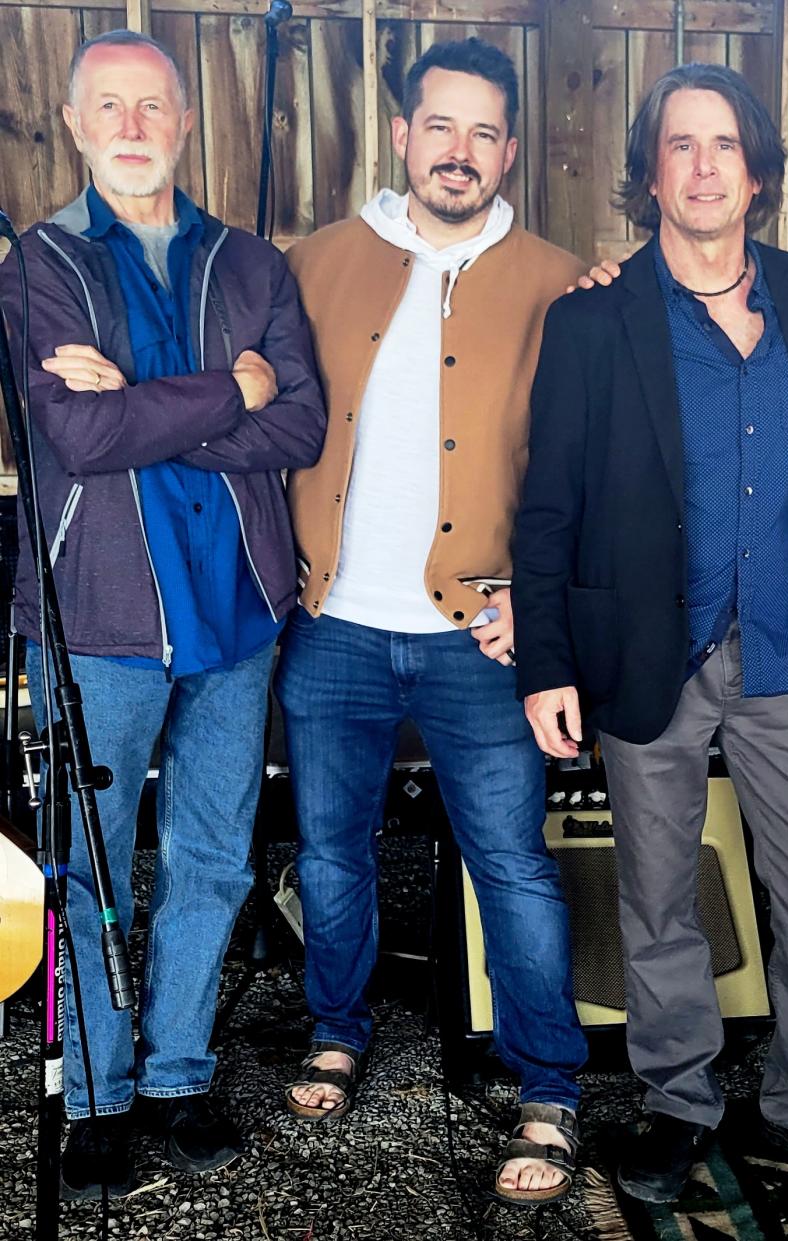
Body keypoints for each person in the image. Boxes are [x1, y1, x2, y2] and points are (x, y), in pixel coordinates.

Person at [512, 63, 788, 1205]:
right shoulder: (591, 315)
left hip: (785, 646)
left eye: (725, 144)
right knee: (659, 895)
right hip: (647, 653)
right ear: (652, 173)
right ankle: (679, 1102)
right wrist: (546, 663)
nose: (705, 165)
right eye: (682, 144)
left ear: (757, 171)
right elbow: (550, 499)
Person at [0, 29, 326, 1200]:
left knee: (212, 860)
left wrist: (146, 403)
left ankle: (178, 1072)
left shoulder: (253, 265)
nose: (133, 126)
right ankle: (92, 1090)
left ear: (188, 124)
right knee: (87, 871)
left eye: (154, 106)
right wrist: (222, 390)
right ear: (78, 127)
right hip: (98, 622)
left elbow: (300, 426)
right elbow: (76, 437)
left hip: (238, 616)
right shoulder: (36, 265)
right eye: (110, 108)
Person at [278, 38, 588, 1204]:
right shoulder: (312, 265)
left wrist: (541, 608)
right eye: (439, 127)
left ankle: (550, 1083)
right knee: (330, 847)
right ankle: (336, 1027)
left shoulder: (564, 281)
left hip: (480, 636)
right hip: (336, 625)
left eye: (485, 133)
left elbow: (587, 469)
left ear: (510, 150)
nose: (460, 153)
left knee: (511, 861)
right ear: (402, 134)